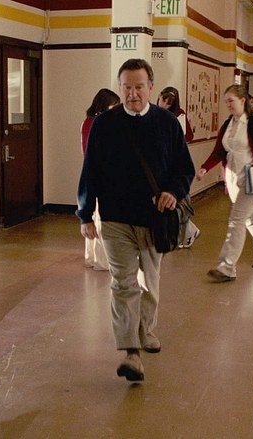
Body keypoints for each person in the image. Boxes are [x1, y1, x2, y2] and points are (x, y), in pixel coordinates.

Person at [77, 58, 194, 382]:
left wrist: (173, 192)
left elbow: (184, 169)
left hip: (154, 219)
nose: (132, 94)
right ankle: (131, 352)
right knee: (123, 283)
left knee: (149, 284)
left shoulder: (167, 123)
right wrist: (85, 214)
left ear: (150, 87)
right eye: (126, 87)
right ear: (120, 88)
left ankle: (146, 331)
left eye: (139, 87)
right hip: (115, 219)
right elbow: (90, 171)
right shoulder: (104, 124)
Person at [197, 85, 253, 282]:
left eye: (231, 101)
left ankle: (227, 267)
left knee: (237, 219)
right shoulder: (227, 124)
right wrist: (205, 167)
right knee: (250, 218)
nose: (228, 105)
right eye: (226, 102)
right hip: (233, 178)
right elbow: (219, 151)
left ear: (243, 100)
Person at [81, 88, 121, 271]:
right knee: (102, 219)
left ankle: (91, 257)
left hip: (92, 173)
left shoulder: (87, 122)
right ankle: (102, 260)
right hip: (103, 175)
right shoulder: (101, 124)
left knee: (93, 216)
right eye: (114, 105)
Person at [157, 86, 200, 248]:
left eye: (169, 103)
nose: (164, 105)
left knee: (177, 203)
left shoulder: (178, 115)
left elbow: (188, 135)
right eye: (163, 100)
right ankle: (188, 232)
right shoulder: (153, 113)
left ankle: (188, 232)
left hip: (173, 165)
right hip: (161, 164)